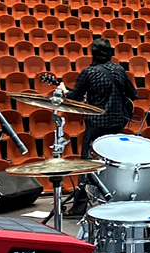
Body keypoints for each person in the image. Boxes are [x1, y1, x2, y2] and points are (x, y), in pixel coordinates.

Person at [59, 38, 137, 215]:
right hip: (117, 124)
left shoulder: (89, 72)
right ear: (110, 53)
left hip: (97, 125)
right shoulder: (119, 70)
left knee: (87, 165)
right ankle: (117, 199)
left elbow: (74, 98)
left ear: (93, 53)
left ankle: (79, 206)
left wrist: (64, 90)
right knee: (116, 164)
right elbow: (133, 94)